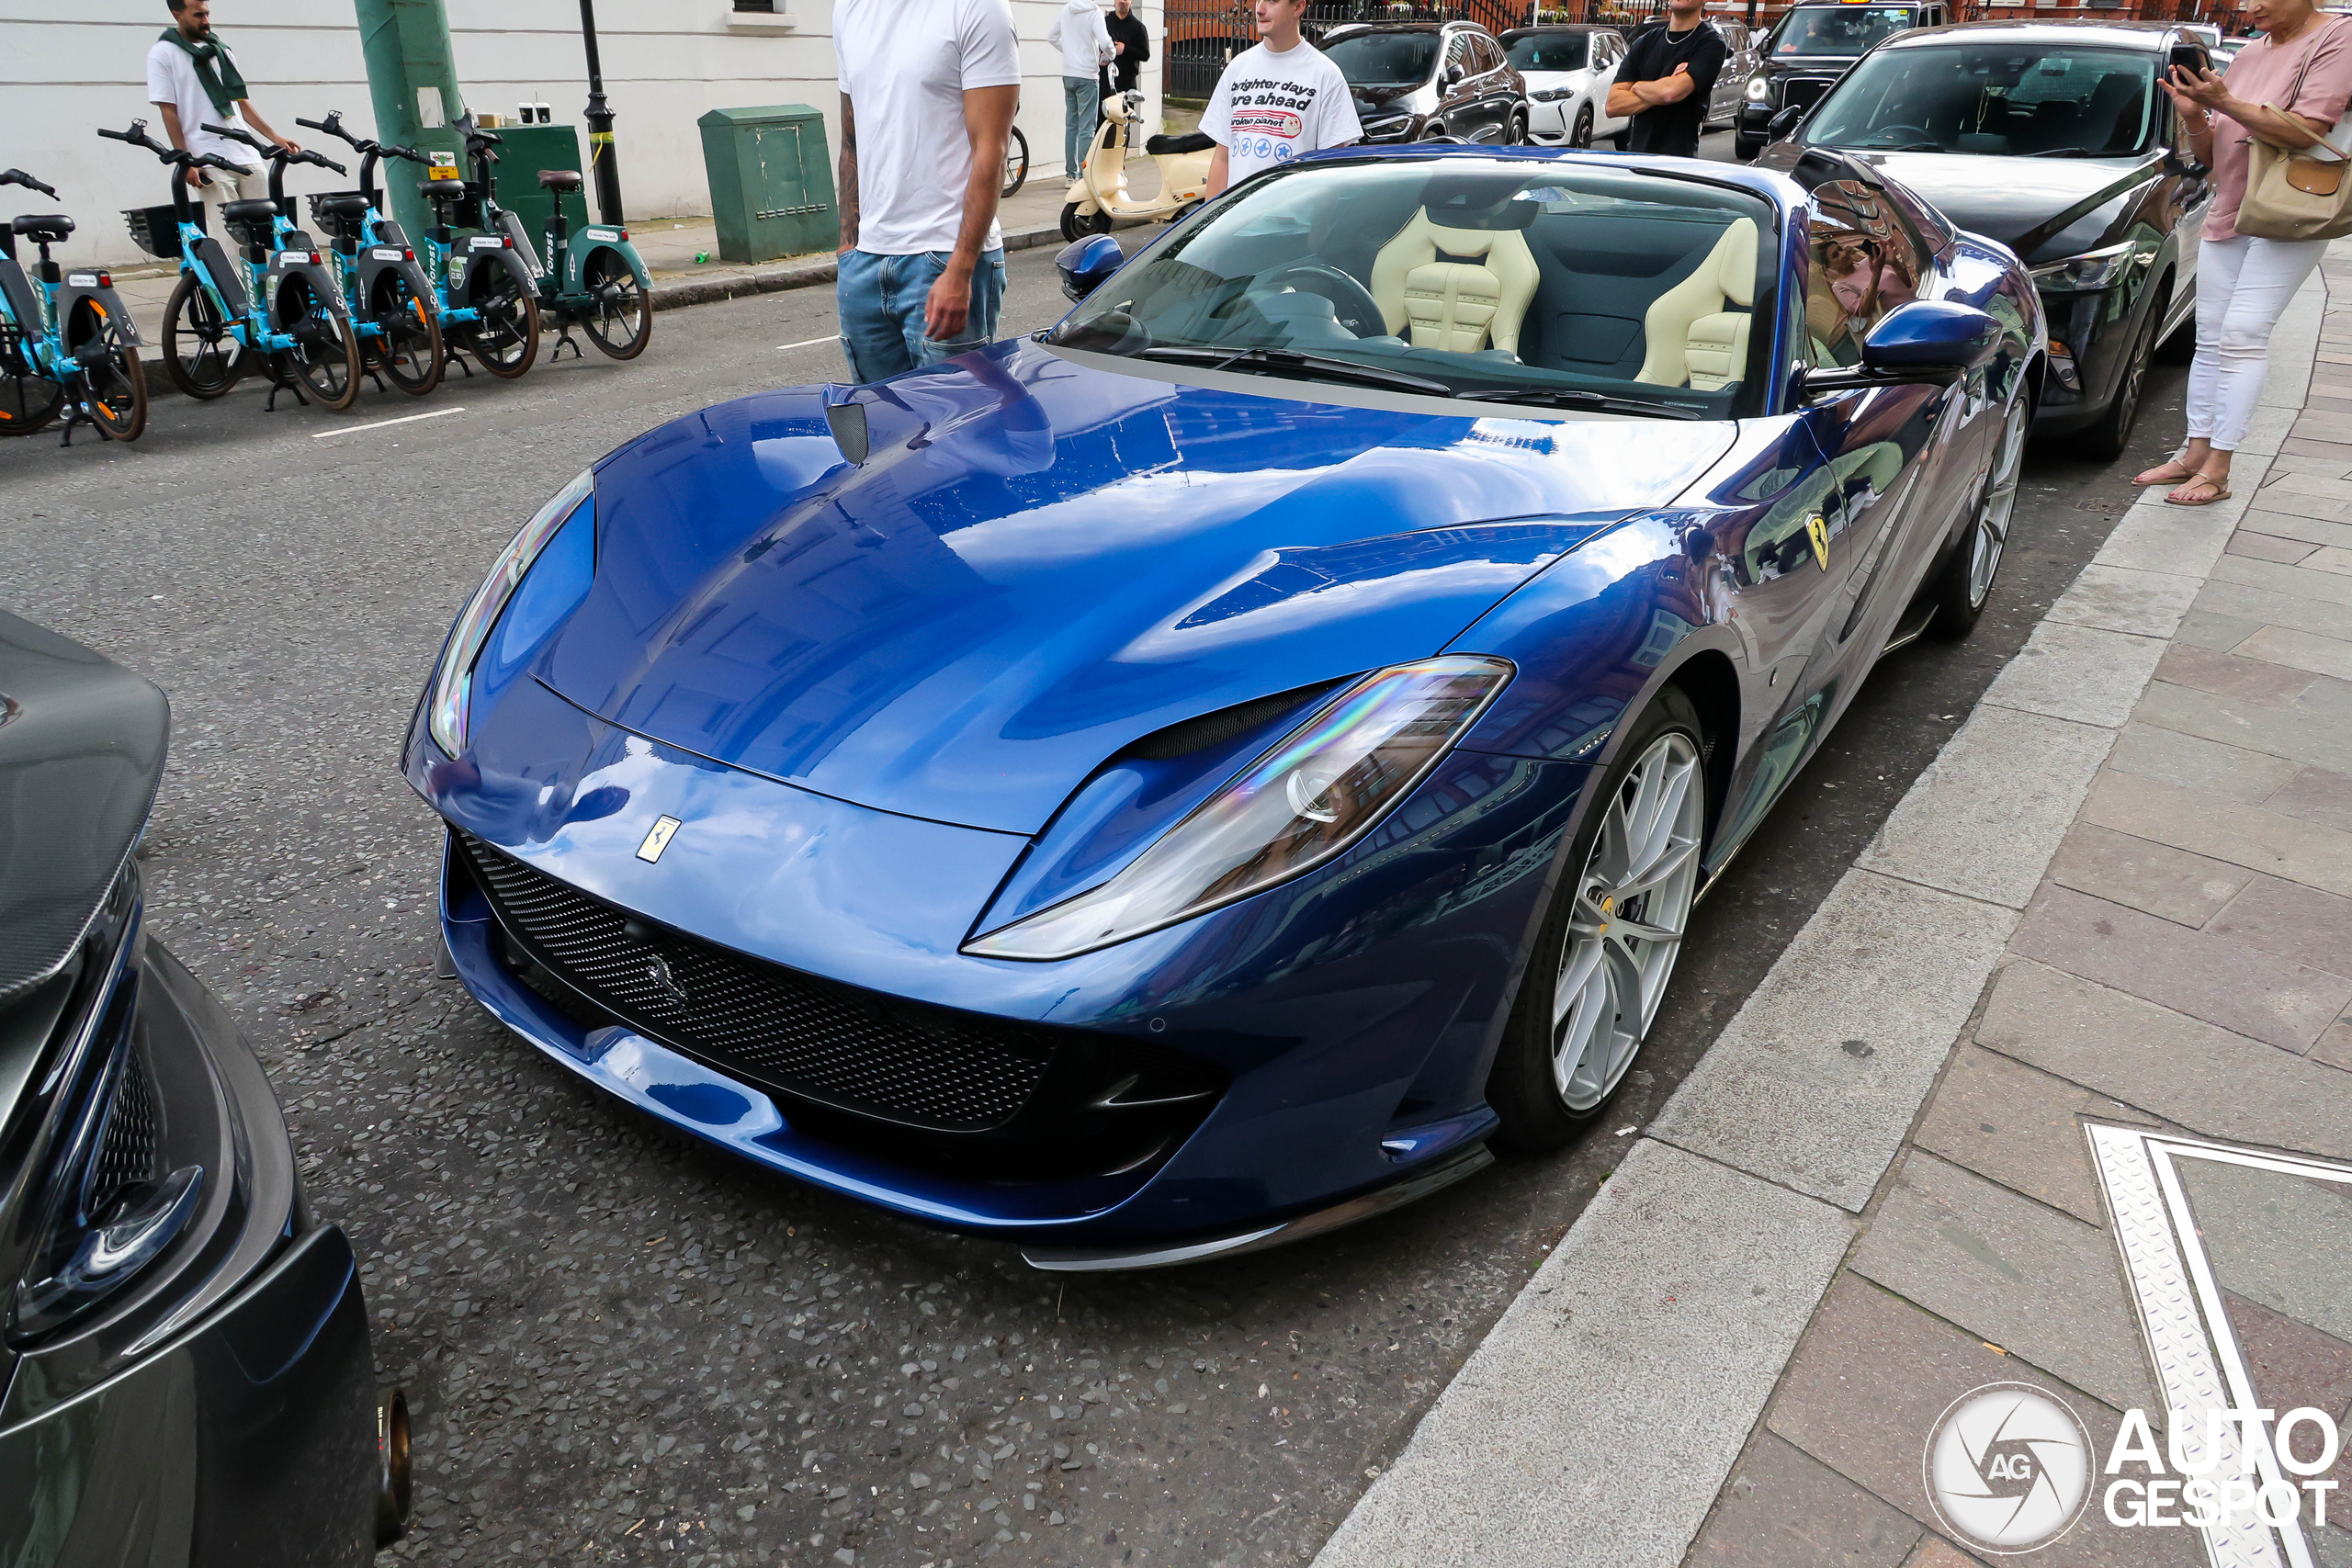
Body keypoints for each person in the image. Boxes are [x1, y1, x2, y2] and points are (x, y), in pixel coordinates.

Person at [2139, 0, 2351, 505]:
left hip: (2289, 209)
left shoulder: (2335, 39)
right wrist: (2196, 116)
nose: (2247, 6)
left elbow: (2307, 129)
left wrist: (2226, 101)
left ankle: (2219, 466)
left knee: (2242, 335)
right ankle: (2194, 452)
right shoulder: (2252, 52)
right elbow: (2218, 152)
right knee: (2210, 337)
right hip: (2231, 207)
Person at [833, 0, 1021, 381]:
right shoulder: (849, 9)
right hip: (866, 262)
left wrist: (961, 267)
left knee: (956, 430)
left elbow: (992, 150)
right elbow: (851, 137)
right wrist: (847, 246)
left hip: (943, 259)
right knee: (881, 432)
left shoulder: (978, 8)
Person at [145, 0, 300, 231]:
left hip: (247, 153)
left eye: (207, 14)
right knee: (230, 236)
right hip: (207, 158)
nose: (206, 21)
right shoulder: (163, 54)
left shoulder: (221, 50)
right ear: (177, 14)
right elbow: (169, 111)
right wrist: (185, 160)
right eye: (198, 15)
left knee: (268, 230)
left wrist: (274, 137)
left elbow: (240, 103)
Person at [1202, 0, 1361, 197]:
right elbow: (1222, 159)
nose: (1259, 9)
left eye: (1272, 1)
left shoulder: (1326, 75)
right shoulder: (1237, 69)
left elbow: (1332, 171)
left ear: (1298, 7)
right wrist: (1212, 224)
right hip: (1239, 222)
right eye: (1259, 0)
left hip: (1295, 224)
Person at [1604, 0, 1729, 159]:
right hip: (1636, 159)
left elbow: (1670, 93)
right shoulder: (1645, 42)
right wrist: (1665, 87)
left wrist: (1636, 86)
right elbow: (1613, 105)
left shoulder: (1710, 44)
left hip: (1678, 162)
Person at [1049, 0, 1114, 180]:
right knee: (1087, 128)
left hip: (1068, 74)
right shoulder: (1094, 12)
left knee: (1071, 126)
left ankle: (1071, 175)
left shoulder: (1066, 9)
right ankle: (1086, 176)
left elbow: (1051, 36)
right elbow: (1105, 43)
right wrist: (1111, 55)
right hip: (1087, 76)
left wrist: (1070, 52)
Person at [1103, 0, 1152, 100]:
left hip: (1127, 83)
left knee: (1126, 115)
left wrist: (1125, 49)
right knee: (1103, 115)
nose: (1122, 1)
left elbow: (1145, 54)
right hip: (1105, 82)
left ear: (1131, 2)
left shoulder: (1138, 27)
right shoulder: (1104, 23)